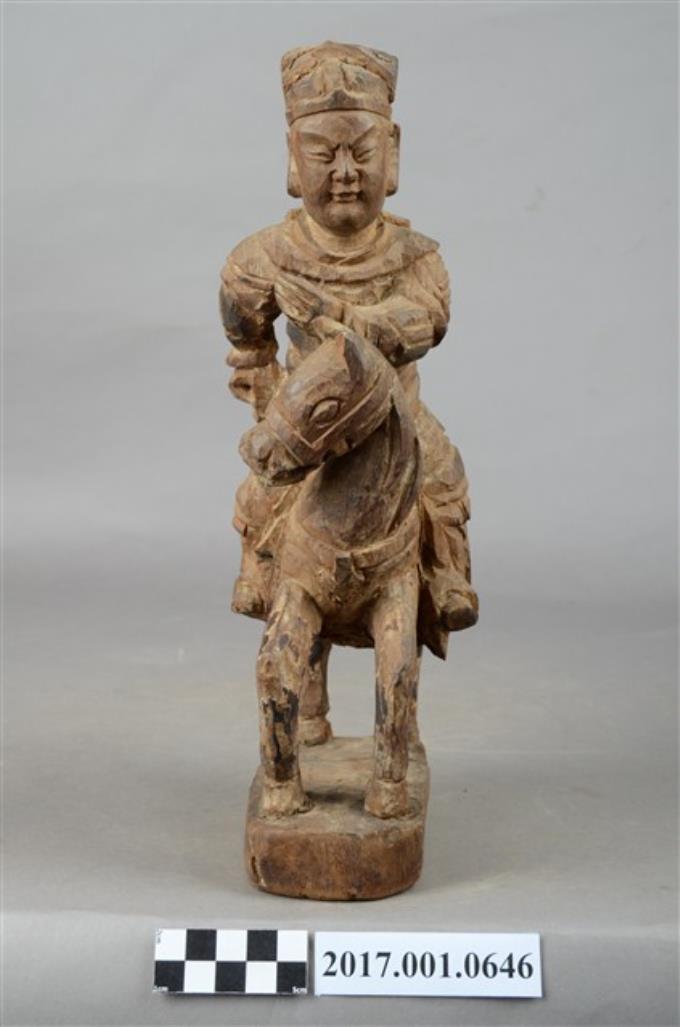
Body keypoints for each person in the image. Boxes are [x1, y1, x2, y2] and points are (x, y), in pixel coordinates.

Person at [219, 41, 477, 659]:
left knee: (442, 475)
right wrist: (267, 393)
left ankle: (445, 576)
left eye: (362, 154)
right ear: (293, 159)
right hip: (307, 411)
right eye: (322, 154)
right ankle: (260, 571)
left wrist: (340, 317)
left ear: (392, 154)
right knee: (264, 486)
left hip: (393, 412)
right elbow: (242, 325)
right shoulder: (266, 256)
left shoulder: (415, 257)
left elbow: (423, 324)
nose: (344, 173)